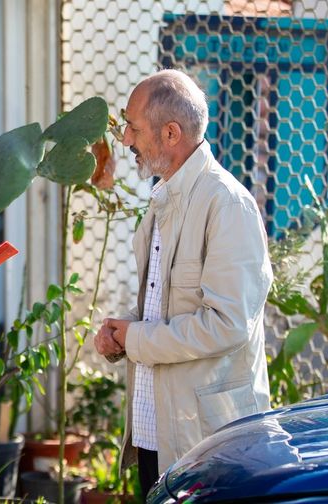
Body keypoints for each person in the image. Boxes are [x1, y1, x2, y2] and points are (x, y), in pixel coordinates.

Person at [94, 69, 273, 497]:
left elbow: (227, 324)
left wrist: (136, 337)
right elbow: (166, 311)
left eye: (134, 128)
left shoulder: (227, 205)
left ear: (170, 133)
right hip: (159, 437)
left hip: (212, 446)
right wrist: (127, 331)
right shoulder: (164, 199)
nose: (126, 140)